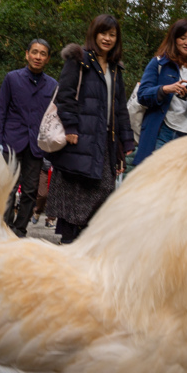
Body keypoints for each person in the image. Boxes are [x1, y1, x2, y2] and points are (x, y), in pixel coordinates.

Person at [46, 14, 135, 244]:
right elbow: (65, 96)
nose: (107, 38)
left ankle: (86, 243)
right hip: (79, 137)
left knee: (102, 191)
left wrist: (126, 142)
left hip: (105, 141)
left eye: (112, 35)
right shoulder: (79, 59)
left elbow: (120, 109)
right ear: (94, 34)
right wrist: (71, 127)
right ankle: (68, 242)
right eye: (103, 33)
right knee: (76, 190)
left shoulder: (115, 68)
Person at [0, 39, 58, 237]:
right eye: (34, 52)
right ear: (27, 54)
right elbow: (0, 110)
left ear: (48, 58)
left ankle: (19, 229)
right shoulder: (12, 78)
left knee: (30, 191)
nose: (38, 57)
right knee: (8, 189)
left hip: (36, 146)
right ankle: (3, 228)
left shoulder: (53, 85)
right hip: (11, 142)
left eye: (43, 53)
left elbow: (54, 117)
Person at [133, 18, 187, 166]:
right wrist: (165, 89)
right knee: (154, 180)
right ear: (174, 39)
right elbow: (142, 95)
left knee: (180, 186)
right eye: (182, 38)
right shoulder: (158, 63)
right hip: (160, 132)